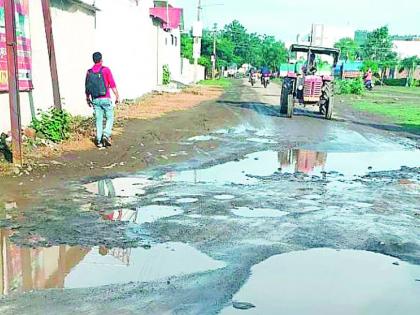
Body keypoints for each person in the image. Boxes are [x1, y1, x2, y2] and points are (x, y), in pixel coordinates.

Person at [85, 52, 120, 148]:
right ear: (101, 60)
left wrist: (87, 98)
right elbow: (112, 84)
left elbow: (87, 87)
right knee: (110, 117)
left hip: (95, 99)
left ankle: (99, 141)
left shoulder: (89, 72)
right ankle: (106, 134)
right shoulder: (106, 70)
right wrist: (117, 96)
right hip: (105, 98)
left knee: (98, 120)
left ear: (93, 60)